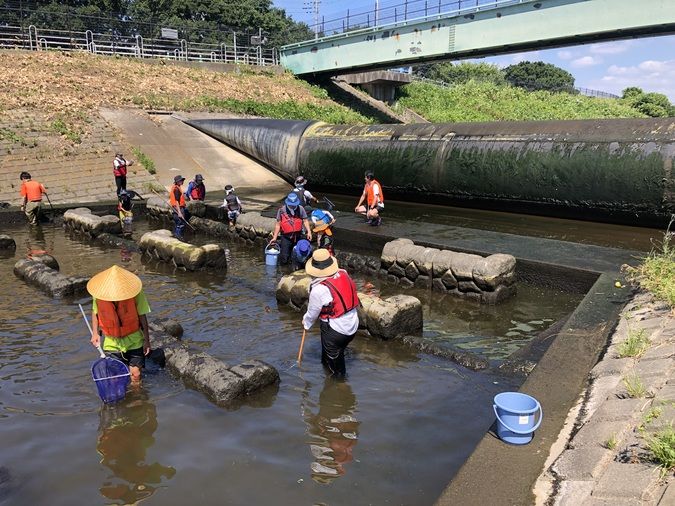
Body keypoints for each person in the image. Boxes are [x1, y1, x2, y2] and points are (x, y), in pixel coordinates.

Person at [87, 265, 151, 384]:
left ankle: (137, 399)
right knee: (115, 377)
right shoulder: (99, 294)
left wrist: (147, 340)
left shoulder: (135, 293)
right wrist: (95, 333)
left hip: (134, 340)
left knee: (136, 375)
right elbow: (95, 312)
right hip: (112, 342)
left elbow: (142, 315)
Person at [302, 249, 360, 377]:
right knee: (331, 354)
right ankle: (327, 366)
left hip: (336, 331)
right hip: (353, 324)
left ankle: (339, 388)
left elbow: (312, 314)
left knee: (337, 371)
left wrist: (305, 323)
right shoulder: (343, 273)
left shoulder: (319, 289)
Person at [270, 192, 312, 265]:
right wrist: (274, 238)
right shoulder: (281, 210)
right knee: (284, 258)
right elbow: (278, 224)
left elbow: (305, 220)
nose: (292, 206)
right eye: (291, 205)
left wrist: (309, 232)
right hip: (286, 237)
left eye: (294, 204)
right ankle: (283, 272)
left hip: (298, 236)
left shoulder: (300, 209)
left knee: (298, 256)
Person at [169, 175, 190, 241]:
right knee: (180, 223)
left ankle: (176, 235)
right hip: (178, 208)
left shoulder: (176, 187)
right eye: (181, 180)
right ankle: (178, 237)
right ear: (178, 181)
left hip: (177, 208)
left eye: (182, 180)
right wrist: (179, 212)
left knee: (178, 223)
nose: (183, 181)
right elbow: (176, 201)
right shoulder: (176, 189)